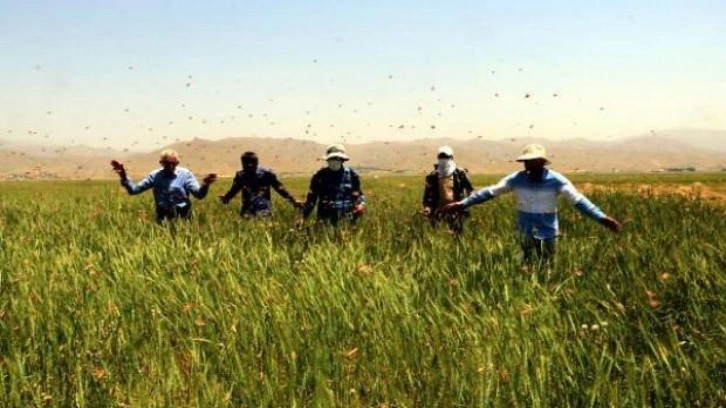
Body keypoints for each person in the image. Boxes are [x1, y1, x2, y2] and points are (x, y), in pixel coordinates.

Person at [442, 144, 621, 264]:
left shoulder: (557, 181)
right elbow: (490, 192)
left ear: (542, 162)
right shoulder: (516, 179)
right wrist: (462, 204)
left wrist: (602, 218)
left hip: (548, 234)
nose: (528, 165)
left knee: (547, 267)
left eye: (533, 161)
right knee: (524, 266)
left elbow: (580, 202)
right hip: (524, 234)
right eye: (526, 162)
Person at [110, 150, 217, 223]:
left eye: (173, 163)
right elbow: (134, 190)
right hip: (163, 218)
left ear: (177, 163)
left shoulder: (185, 174)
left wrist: (205, 185)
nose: (170, 166)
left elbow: (199, 195)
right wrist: (123, 175)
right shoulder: (155, 176)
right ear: (161, 163)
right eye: (166, 163)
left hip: (184, 218)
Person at [298, 144, 366, 226]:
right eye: (332, 158)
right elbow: (311, 200)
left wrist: (361, 204)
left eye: (338, 158)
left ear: (342, 160)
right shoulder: (319, 176)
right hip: (325, 221)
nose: (335, 161)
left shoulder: (352, 175)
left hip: (348, 222)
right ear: (327, 159)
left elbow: (359, 195)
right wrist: (302, 217)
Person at [219, 151, 302, 217]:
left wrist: (293, 201)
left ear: (256, 163)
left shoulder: (267, 174)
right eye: (246, 165)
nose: (249, 167)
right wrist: (226, 198)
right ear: (242, 164)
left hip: (263, 212)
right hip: (246, 213)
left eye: (252, 164)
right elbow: (234, 190)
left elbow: (280, 189)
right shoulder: (240, 176)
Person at [422, 145, 474, 234]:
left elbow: (470, 190)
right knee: (438, 235)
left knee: (457, 236)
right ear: (437, 158)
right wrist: (427, 208)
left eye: (446, 157)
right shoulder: (432, 176)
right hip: (438, 211)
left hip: (456, 211)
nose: (443, 159)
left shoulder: (460, 174)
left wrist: (467, 204)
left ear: (452, 157)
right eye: (441, 157)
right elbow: (427, 195)